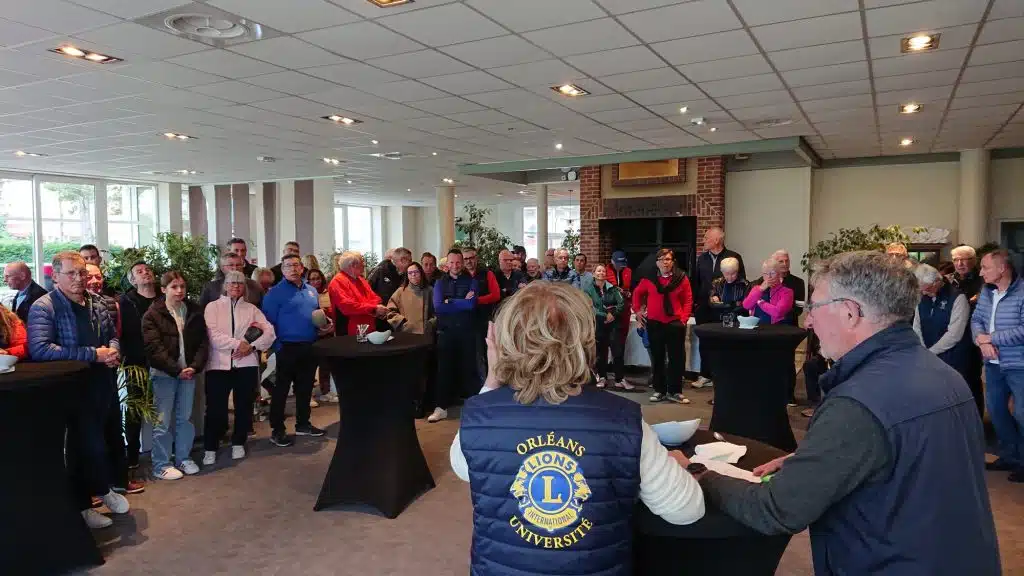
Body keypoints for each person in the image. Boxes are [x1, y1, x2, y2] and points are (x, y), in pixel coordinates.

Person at [697, 250, 1000, 576]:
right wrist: (818, 457)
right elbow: (906, 458)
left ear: (851, 312)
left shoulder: (857, 403)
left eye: (813, 307)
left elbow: (778, 509)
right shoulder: (944, 375)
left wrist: (705, 476)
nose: (808, 320)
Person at [450, 282, 705, 575]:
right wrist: (676, 466)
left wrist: (492, 381)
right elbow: (687, 510)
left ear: (505, 343)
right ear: (585, 341)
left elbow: (461, 466)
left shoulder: (478, 416)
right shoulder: (623, 419)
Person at [28, 251, 129, 529]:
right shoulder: (44, 306)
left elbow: (112, 335)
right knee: (80, 449)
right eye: (71, 273)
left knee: (101, 443)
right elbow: (40, 350)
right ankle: (84, 505)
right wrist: (93, 354)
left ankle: (102, 488)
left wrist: (112, 352)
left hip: (102, 384)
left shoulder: (97, 302)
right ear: (55, 276)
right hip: (70, 390)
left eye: (82, 273)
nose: (78, 279)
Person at [203, 270, 276, 465]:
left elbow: (269, 333)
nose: (236, 286)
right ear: (225, 286)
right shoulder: (212, 307)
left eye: (240, 283)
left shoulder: (252, 309)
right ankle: (210, 446)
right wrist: (239, 345)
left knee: (243, 406)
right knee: (215, 409)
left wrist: (251, 347)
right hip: (218, 365)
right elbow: (213, 336)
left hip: (246, 364)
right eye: (232, 283)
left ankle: (238, 442)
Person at [143, 271, 209, 480]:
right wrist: (176, 370)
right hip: (164, 374)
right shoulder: (152, 315)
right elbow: (154, 348)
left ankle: (183, 457)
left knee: (185, 418)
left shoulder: (194, 311)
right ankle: (161, 464)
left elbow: (202, 343)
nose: (179, 291)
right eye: (174, 287)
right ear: (163, 289)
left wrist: (194, 367)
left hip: (188, 374)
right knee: (162, 422)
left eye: (182, 286)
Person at [262, 254, 334, 447]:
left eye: (296, 265)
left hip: (309, 346)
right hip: (286, 347)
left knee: (305, 389)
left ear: (302, 268)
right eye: (288, 266)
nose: (293, 269)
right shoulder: (274, 294)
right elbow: (267, 323)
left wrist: (326, 325)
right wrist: (277, 348)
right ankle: (277, 430)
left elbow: (317, 316)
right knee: (281, 391)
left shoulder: (311, 291)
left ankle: (303, 424)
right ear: (282, 270)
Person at [972, 249, 1024, 481]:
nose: (981, 272)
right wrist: (981, 342)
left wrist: (991, 338)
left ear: (1001, 269)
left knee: (1022, 414)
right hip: (992, 363)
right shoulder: (986, 292)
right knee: (996, 411)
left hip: (1019, 363)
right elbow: (977, 320)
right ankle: (1011, 456)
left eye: (985, 267)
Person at [633, 248, 693, 404]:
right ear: (657, 263)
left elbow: (688, 300)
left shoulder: (681, 278)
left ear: (672, 262)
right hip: (655, 323)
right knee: (658, 358)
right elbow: (637, 293)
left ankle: (675, 391)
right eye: (661, 260)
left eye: (668, 259)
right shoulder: (649, 279)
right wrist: (637, 311)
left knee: (676, 358)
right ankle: (659, 390)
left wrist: (683, 319)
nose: (665, 262)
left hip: (675, 323)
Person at [691, 228, 745, 388]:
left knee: (722, 341)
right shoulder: (701, 259)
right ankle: (704, 374)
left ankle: (721, 374)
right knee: (705, 341)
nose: (703, 241)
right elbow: (696, 281)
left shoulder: (734, 257)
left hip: (724, 309)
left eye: (706, 238)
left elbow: (741, 282)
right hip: (704, 307)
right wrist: (695, 303)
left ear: (716, 240)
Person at [429, 248, 478, 422]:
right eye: (452, 262)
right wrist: (461, 301)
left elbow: (471, 305)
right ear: (447, 264)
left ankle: (473, 410)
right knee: (443, 371)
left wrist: (450, 301)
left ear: (462, 263)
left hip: (466, 332)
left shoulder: (472, 281)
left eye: (458, 262)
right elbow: (438, 307)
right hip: (446, 332)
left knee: (468, 369)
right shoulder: (440, 283)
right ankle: (441, 407)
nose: (455, 265)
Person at [118, 261, 158, 472]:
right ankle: (131, 454)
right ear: (132, 280)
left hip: (163, 361)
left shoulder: (164, 296)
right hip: (136, 363)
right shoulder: (125, 302)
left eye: (148, 270)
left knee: (165, 407)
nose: (145, 274)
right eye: (139, 272)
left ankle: (165, 451)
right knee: (135, 410)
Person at [913, 264, 972, 383]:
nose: (924, 293)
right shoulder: (923, 297)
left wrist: (931, 352)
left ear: (937, 282)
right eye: (921, 290)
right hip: (928, 356)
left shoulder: (957, 298)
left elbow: (954, 334)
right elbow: (917, 325)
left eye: (927, 289)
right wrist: (922, 349)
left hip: (952, 358)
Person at [585, 264, 632, 390]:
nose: (601, 273)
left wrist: (613, 314)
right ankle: (602, 377)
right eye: (599, 271)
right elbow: (590, 306)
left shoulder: (613, 288)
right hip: (598, 324)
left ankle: (619, 379)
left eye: (603, 271)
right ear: (594, 273)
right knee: (601, 352)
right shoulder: (588, 289)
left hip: (614, 324)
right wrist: (605, 315)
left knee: (618, 351)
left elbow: (621, 303)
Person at [952, 244, 985, 419]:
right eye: (956, 260)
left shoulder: (982, 281)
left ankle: (977, 421)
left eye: (963, 260)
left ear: (973, 261)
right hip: (951, 336)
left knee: (971, 379)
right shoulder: (949, 281)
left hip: (972, 336)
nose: (959, 264)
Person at [328, 250, 386, 337]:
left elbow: (375, 298)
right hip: (350, 332)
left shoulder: (360, 279)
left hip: (368, 328)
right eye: (362, 262)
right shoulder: (337, 282)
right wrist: (373, 308)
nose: (364, 265)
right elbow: (348, 306)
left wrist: (375, 307)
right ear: (352, 266)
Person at [306, 268, 337, 404]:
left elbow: (333, 312)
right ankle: (309, 395)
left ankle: (326, 391)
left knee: (326, 364)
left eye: (317, 278)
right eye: (312, 279)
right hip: (311, 333)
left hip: (328, 332)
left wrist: (330, 327)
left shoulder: (328, 292)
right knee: (310, 366)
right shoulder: (305, 293)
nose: (315, 281)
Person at [386, 262, 435, 334]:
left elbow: (438, 310)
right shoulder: (400, 291)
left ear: (421, 273)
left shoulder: (430, 290)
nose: (413, 275)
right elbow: (389, 311)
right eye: (410, 273)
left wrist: (431, 324)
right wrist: (402, 323)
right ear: (407, 275)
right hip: (407, 333)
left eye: (416, 272)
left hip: (427, 333)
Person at [742, 258, 795, 325]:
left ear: (779, 274)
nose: (769, 276)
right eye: (765, 273)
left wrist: (760, 302)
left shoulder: (787, 292)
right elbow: (746, 306)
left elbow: (778, 312)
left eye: (772, 273)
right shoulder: (756, 289)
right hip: (756, 327)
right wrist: (760, 290)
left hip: (776, 329)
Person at [606, 251, 634, 368]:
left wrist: (628, 293)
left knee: (621, 338)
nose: (620, 266)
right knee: (608, 338)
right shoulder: (606, 270)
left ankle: (619, 367)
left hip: (624, 308)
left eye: (622, 263)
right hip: (610, 308)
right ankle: (607, 366)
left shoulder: (628, 271)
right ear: (612, 261)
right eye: (618, 263)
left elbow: (631, 286)